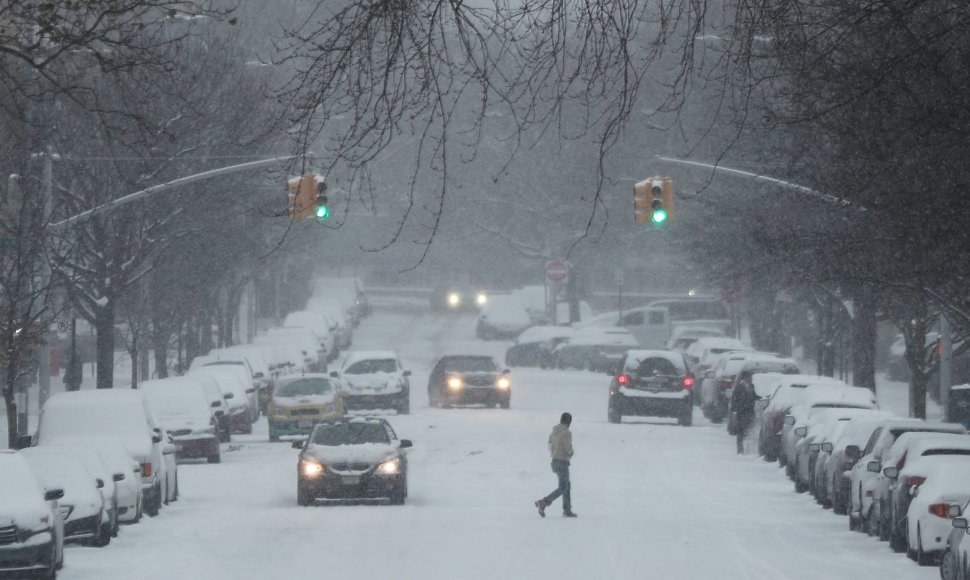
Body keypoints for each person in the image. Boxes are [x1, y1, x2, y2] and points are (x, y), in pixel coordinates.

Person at [535, 412, 577, 518]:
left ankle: (567, 509)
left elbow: (550, 446)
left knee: (566, 485)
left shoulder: (554, 432)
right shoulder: (566, 433)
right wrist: (571, 453)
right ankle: (544, 502)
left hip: (554, 461)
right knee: (563, 487)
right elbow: (568, 448)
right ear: (569, 421)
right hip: (562, 462)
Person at [731, 371, 757, 454]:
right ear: (745, 378)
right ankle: (740, 450)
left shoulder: (752, 387)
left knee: (749, 431)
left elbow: (754, 397)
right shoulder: (738, 388)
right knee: (741, 432)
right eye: (750, 377)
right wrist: (734, 413)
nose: (752, 379)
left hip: (750, 412)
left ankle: (748, 449)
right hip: (741, 413)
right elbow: (734, 401)